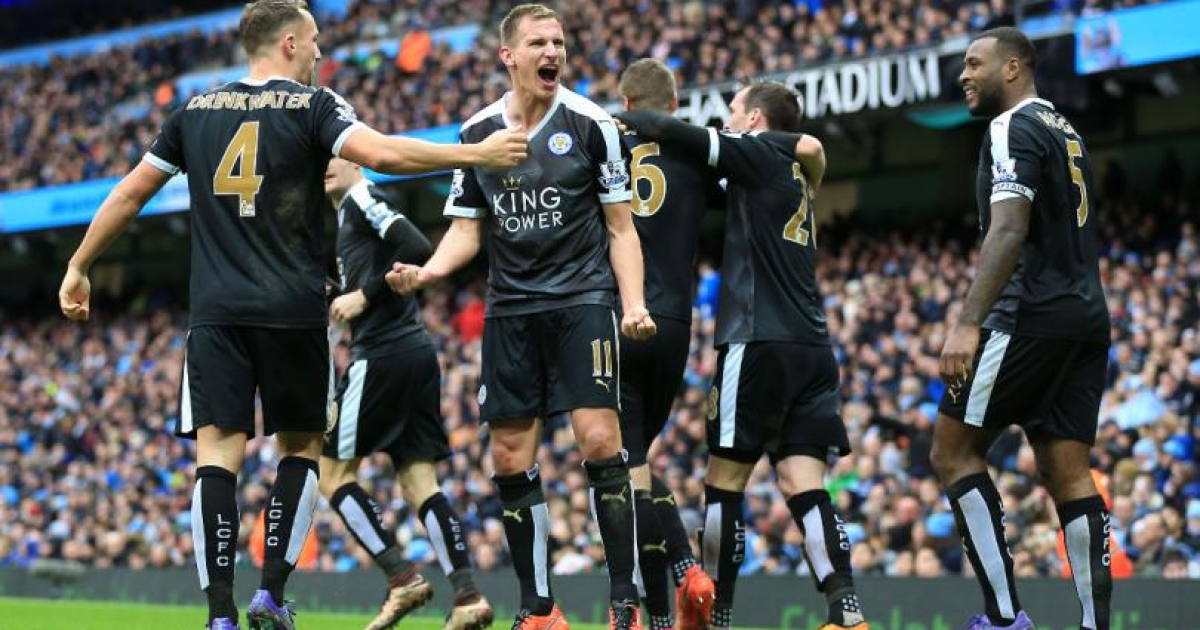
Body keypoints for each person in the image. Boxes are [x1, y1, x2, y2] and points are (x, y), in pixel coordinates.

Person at [56, 2, 527, 629]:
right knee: (302, 449)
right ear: (287, 43)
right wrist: (475, 155)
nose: (320, 51)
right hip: (293, 313)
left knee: (215, 458)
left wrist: (79, 264)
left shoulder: (192, 112)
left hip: (216, 315)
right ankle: (272, 595)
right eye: (314, 40)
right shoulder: (313, 106)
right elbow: (382, 155)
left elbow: (130, 192)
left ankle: (219, 616)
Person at [386, 5, 656, 630]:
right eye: (538, 42)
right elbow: (465, 230)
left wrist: (634, 303)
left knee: (600, 440)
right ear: (508, 56)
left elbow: (621, 228)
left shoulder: (593, 125)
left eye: (558, 42)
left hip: (582, 300)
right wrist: (427, 273)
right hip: (510, 310)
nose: (552, 51)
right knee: (508, 458)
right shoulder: (477, 133)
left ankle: (624, 602)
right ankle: (539, 609)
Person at [617, 82, 869, 630]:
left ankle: (717, 617)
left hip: (756, 339)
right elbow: (807, 151)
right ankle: (846, 612)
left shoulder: (755, 152)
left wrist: (619, 121)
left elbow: (668, 128)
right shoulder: (795, 172)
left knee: (724, 483)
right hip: (812, 347)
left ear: (754, 118)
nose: (725, 120)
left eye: (732, 112)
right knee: (805, 485)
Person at [931, 26, 1112, 630]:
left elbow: (1010, 227)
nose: (963, 74)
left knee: (953, 452)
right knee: (1068, 472)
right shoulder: (1066, 129)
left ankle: (1004, 619)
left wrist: (968, 322)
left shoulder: (1010, 126)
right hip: (1085, 317)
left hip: (1028, 314)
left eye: (974, 63)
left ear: (1012, 68)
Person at [320, 158, 494, 630]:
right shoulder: (347, 214)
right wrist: (339, 290)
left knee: (332, 475)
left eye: (333, 155)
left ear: (356, 159)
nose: (325, 166)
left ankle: (401, 578)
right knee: (419, 483)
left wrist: (365, 295)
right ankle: (468, 596)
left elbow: (415, 245)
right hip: (415, 354)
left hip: (381, 356)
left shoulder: (363, 198)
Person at [616, 58, 717, 630]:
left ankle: (656, 601)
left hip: (620, 316)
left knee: (624, 470)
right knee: (638, 463)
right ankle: (684, 578)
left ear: (627, 106)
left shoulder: (609, 145)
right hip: (676, 322)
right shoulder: (696, 152)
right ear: (675, 107)